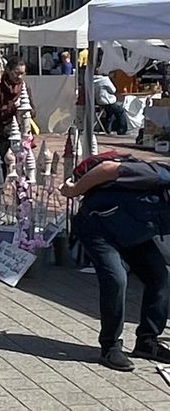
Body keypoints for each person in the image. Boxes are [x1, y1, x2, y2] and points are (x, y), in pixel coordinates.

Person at [62, 156, 170, 371]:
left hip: (135, 234)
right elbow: (107, 169)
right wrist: (73, 191)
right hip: (97, 227)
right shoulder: (157, 175)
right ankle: (110, 346)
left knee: (159, 277)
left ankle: (147, 342)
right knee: (116, 278)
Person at [0, 57, 31, 222]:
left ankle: (22, 212)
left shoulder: (24, 88)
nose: (19, 77)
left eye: (22, 73)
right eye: (17, 73)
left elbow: (32, 111)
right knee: (1, 173)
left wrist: (24, 109)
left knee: (23, 174)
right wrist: (12, 106)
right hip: (4, 135)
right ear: (8, 70)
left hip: (22, 136)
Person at [95, 70, 129, 136]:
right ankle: (122, 130)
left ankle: (108, 129)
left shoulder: (93, 80)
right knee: (120, 111)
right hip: (107, 101)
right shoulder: (105, 79)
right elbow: (113, 89)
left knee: (110, 113)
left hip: (99, 101)